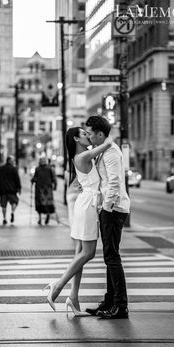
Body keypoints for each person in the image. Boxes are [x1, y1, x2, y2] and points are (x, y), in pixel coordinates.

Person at [44, 127, 112, 315]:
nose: (88, 136)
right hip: (88, 207)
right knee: (88, 254)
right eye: (84, 134)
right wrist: (105, 133)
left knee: (80, 255)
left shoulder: (82, 156)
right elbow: (107, 143)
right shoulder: (82, 156)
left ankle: (73, 298)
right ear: (75, 138)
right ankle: (57, 286)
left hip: (85, 204)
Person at [85, 115, 130, 319]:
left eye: (90, 133)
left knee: (112, 257)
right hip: (111, 208)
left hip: (114, 209)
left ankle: (120, 305)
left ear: (100, 134)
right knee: (110, 256)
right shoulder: (104, 151)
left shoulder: (111, 152)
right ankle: (110, 301)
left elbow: (114, 183)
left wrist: (106, 208)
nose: (88, 135)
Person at [0, 156, 21, 225]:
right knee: (14, 202)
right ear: (9, 161)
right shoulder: (14, 169)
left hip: (3, 190)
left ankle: (4, 218)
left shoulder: (0, 169)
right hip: (12, 190)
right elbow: (17, 180)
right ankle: (12, 212)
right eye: (12, 160)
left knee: (3, 205)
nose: (13, 162)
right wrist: (19, 188)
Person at [31, 157, 57, 225]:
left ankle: (40, 218)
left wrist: (32, 180)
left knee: (39, 203)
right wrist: (54, 185)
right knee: (48, 202)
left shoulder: (37, 169)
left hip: (39, 188)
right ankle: (47, 214)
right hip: (48, 188)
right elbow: (53, 178)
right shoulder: (49, 168)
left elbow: (35, 178)